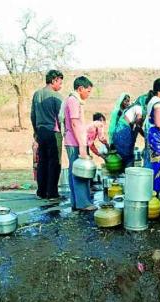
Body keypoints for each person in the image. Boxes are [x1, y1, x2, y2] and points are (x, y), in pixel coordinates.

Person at [63, 76, 96, 211]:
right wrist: (82, 146)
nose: (89, 94)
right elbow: (75, 123)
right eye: (88, 91)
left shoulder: (72, 100)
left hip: (73, 140)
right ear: (80, 88)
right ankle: (83, 203)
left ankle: (76, 202)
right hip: (75, 141)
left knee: (74, 171)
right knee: (80, 172)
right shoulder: (74, 101)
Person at [30, 69, 64, 201]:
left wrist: (36, 133)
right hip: (53, 132)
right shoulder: (56, 96)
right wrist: (63, 133)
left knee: (42, 162)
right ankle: (52, 193)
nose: (60, 86)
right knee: (54, 163)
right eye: (60, 82)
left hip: (40, 131)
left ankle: (41, 192)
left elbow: (32, 115)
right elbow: (61, 117)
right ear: (54, 80)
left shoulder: (37, 94)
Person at [112, 102, 144, 167]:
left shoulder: (131, 109)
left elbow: (139, 126)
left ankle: (122, 173)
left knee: (121, 155)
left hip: (119, 132)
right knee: (128, 156)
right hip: (123, 131)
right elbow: (138, 122)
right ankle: (128, 173)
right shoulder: (139, 108)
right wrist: (134, 138)